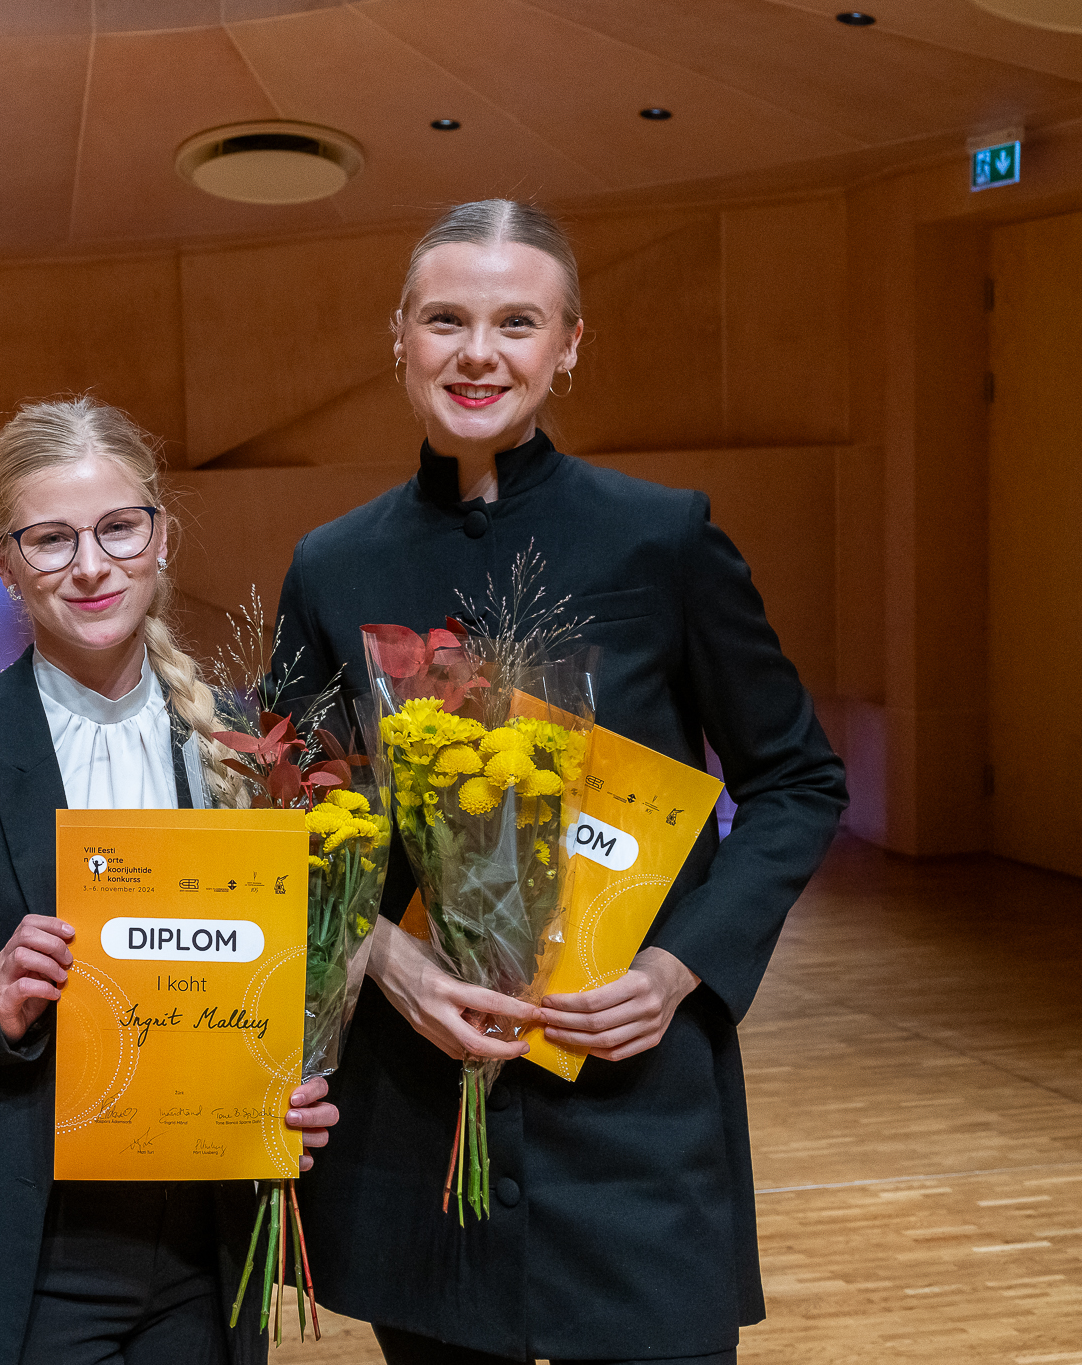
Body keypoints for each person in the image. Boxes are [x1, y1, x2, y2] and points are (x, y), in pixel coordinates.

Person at [271, 201, 847, 1365]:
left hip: (631, 1106)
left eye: (515, 322)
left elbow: (796, 779)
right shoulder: (331, 565)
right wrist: (388, 960)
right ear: (399, 336)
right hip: (422, 1118)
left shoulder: (663, 540)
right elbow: (295, 813)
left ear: (567, 344)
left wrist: (677, 968)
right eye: (445, 319)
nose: (476, 352)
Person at [0, 397, 339, 1365]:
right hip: (12, 1248)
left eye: (118, 527)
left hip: (199, 1256)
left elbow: (287, 971)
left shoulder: (247, 751)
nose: (90, 565)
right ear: (3, 563)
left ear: (159, 535)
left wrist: (290, 1080)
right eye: (49, 540)